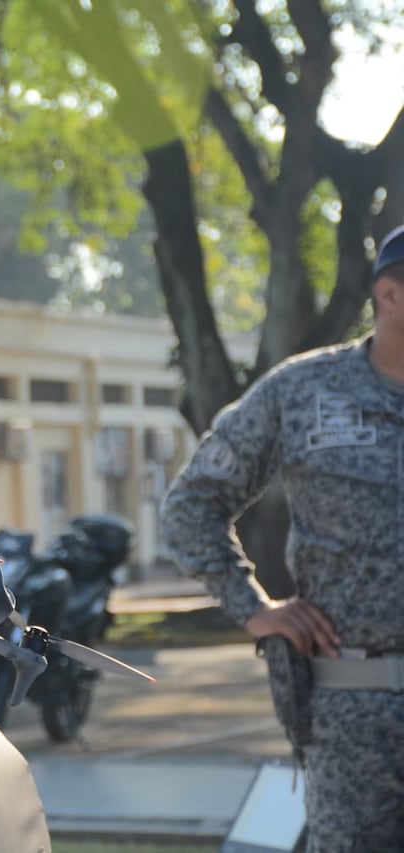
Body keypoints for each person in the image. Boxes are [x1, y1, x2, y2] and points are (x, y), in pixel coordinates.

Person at [158, 225, 404, 851]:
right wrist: (253, 608)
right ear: (390, 295)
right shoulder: (303, 392)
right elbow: (191, 507)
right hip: (352, 718)